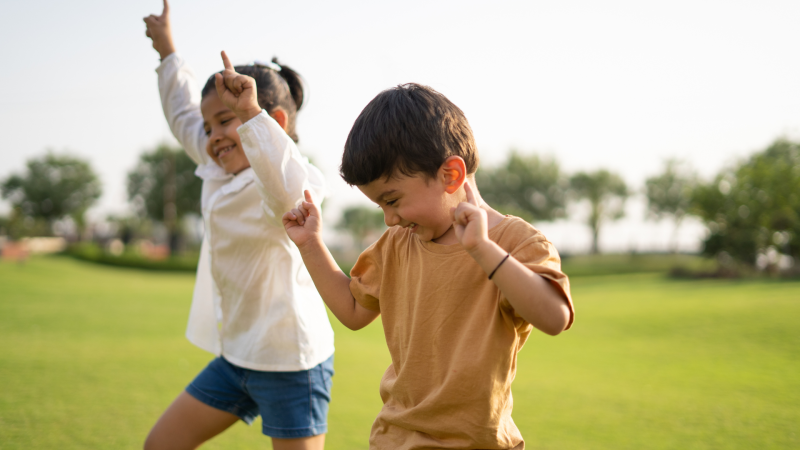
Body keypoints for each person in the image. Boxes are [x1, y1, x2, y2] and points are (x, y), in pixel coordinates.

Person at [282, 83, 575, 449]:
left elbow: (554, 316)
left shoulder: (515, 243)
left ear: (450, 175)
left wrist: (483, 249)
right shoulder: (397, 244)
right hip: (396, 438)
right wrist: (310, 244)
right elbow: (354, 310)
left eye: (393, 200)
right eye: (380, 207)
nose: (389, 219)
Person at [142, 2, 334, 449]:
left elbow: (287, 187)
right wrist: (168, 50)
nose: (212, 137)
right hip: (236, 358)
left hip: (291, 363)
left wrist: (250, 113)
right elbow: (183, 116)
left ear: (275, 124)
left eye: (225, 121)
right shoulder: (217, 168)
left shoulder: (288, 181)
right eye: (210, 127)